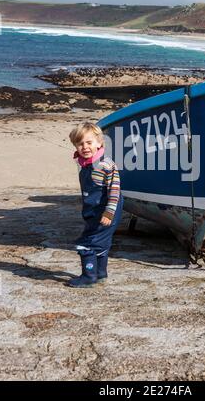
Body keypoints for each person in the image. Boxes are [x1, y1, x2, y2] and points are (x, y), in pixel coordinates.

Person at [68, 122, 123, 287]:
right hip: (93, 212)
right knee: (101, 243)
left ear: (99, 143)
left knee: (87, 244)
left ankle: (88, 276)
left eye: (89, 142)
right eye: (80, 144)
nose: (85, 147)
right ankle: (100, 273)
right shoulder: (84, 165)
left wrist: (109, 213)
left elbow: (115, 192)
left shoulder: (106, 165)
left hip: (106, 211)